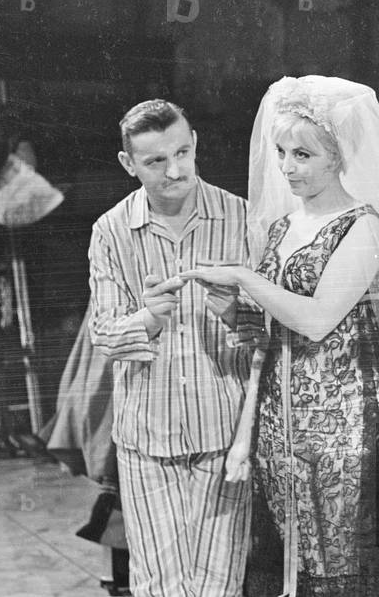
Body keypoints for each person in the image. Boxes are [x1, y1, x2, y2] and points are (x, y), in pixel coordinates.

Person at [181, 76, 379, 597]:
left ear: (339, 156)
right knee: (291, 556)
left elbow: (317, 319)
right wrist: (232, 311)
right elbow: (270, 332)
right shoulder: (283, 227)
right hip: (277, 421)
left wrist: (245, 277)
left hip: (340, 417)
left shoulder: (363, 226)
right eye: (281, 152)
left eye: (303, 154)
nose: (286, 168)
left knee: (341, 552)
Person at [88, 99, 254, 597]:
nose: (175, 170)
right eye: (156, 161)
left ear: (195, 142)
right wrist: (149, 319)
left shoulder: (241, 216)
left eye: (182, 152)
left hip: (223, 434)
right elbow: (104, 335)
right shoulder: (111, 231)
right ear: (129, 165)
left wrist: (232, 312)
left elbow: (272, 330)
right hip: (146, 439)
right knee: (158, 585)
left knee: (219, 586)